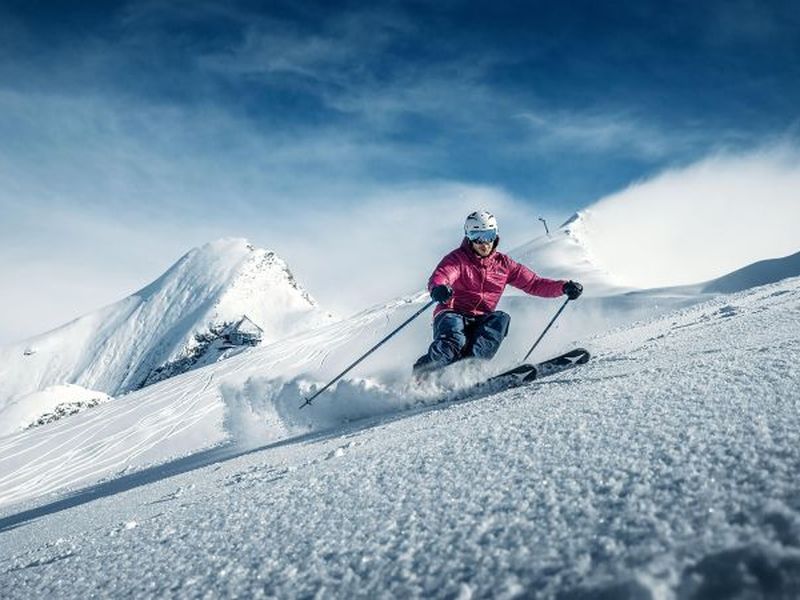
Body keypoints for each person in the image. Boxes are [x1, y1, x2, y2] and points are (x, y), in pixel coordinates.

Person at [413, 210, 583, 376]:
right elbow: (442, 275)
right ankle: (422, 376)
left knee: (500, 319)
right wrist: (439, 288)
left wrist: (563, 287)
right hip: (452, 312)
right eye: (476, 236)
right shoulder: (458, 259)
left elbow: (534, 283)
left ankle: (469, 372)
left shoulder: (504, 265)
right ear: (468, 237)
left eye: (488, 235)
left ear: (495, 235)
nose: (483, 243)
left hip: (482, 317)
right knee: (453, 342)